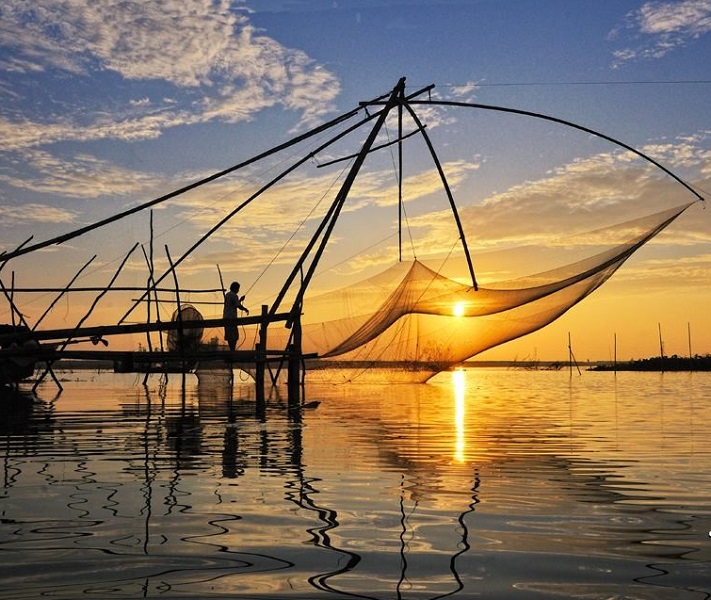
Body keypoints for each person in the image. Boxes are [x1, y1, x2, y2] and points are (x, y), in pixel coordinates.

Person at [223, 281, 249, 351]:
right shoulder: (234, 295)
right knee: (234, 336)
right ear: (235, 288)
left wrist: (240, 300)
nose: (238, 290)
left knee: (229, 336)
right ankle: (233, 351)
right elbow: (238, 305)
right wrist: (245, 309)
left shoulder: (227, 295)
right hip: (232, 318)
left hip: (226, 318)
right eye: (238, 288)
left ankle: (232, 351)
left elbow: (234, 304)